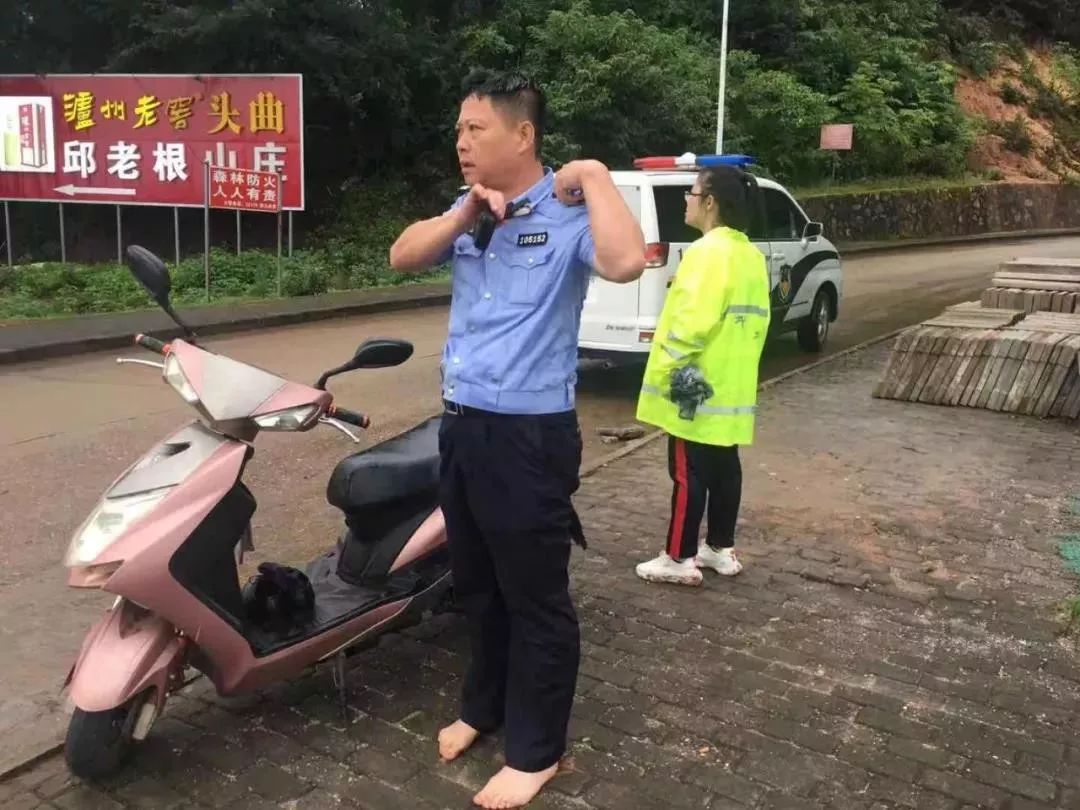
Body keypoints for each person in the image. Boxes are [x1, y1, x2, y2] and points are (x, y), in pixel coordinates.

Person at [389, 69, 645, 809]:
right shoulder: (468, 210)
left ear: (523, 135)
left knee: (535, 597)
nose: (460, 142)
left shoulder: (570, 215)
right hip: (463, 426)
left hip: (528, 436)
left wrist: (594, 175)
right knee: (476, 585)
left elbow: (627, 262)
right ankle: (483, 707)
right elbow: (403, 255)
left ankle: (539, 751)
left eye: (476, 129)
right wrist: (466, 209)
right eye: (459, 130)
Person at [633, 165, 771, 587]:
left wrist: (670, 368)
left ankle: (679, 556)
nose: (686, 201)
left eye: (691, 193)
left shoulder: (706, 253)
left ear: (710, 202)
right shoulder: (748, 254)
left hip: (694, 387)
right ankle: (719, 549)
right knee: (724, 467)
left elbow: (692, 322)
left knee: (687, 471)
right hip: (730, 386)